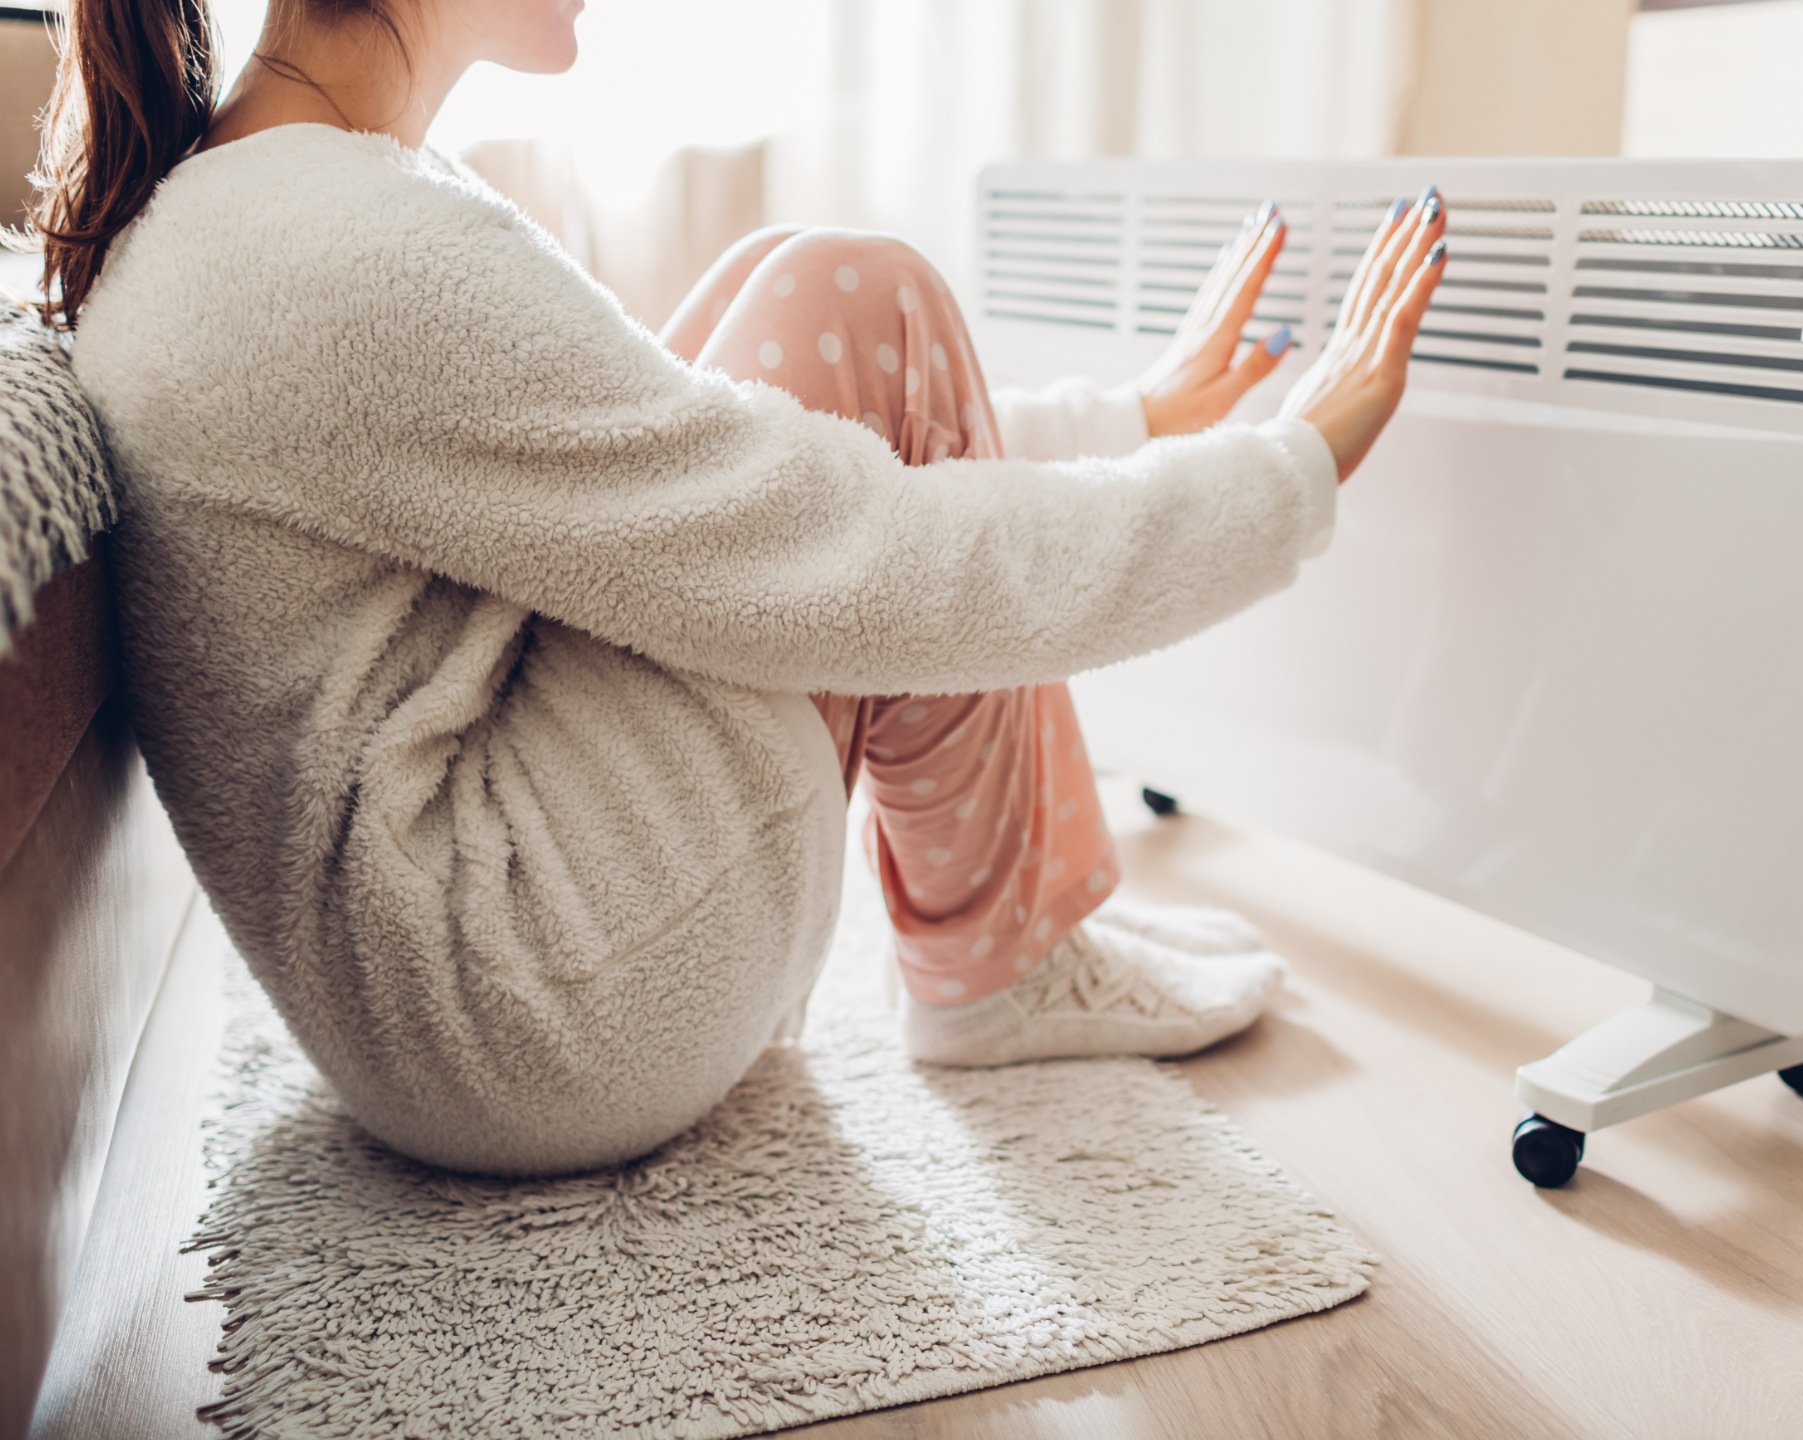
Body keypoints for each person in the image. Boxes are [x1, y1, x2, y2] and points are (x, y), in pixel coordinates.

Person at [31, 0, 1447, 1176]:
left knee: (810, 292)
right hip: (548, 1015)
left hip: (443, 1003)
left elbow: (675, 461)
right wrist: (1286, 477)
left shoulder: (262, 204)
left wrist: (1128, 422)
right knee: (854, 293)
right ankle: (1003, 960)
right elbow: (849, 556)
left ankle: (1013, 929)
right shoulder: (347, 248)